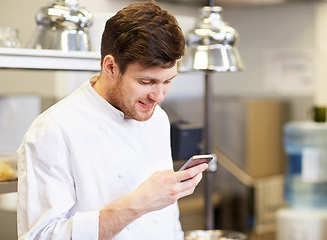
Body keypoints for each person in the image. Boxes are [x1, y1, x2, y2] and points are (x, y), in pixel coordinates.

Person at [17, 1, 208, 239]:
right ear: (111, 67)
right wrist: (137, 204)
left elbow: (169, 218)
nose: (158, 96)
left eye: (167, 81)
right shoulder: (54, 129)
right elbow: (40, 236)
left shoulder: (158, 118)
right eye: (146, 82)